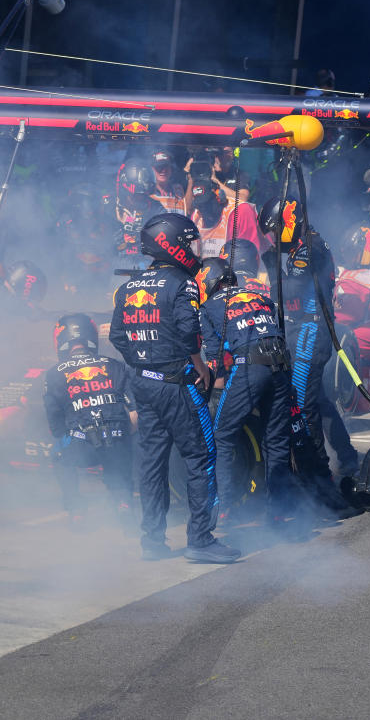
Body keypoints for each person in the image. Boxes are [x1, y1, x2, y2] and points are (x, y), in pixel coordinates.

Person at [109, 213, 240, 564]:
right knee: (201, 458)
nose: (196, 247)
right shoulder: (183, 283)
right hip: (177, 385)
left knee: (152, 463)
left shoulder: (128, 287)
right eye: (191, 240)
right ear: (173, 244)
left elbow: (117, 336)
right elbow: (187, 332)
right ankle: (201, 539)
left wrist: (143, 359)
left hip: (143, 383)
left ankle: (152, 542)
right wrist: (200, 367)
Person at [259, 198, 360, 504]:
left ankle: (320, 477)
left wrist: (270, 261)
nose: (271, 239)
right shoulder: (297, 247)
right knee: (317, 399)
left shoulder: (309, 248)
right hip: (299, 329)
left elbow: (288, 289)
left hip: (309, 330)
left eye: (273, 232)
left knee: (302, 406)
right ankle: (347, 455)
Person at [197, 258, 300, 531]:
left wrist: (214, 396)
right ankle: (277, 513)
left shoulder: (209, 307)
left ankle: (224, 510)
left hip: (250, 367)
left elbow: (216, 360)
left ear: (208, 283)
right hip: (281, 366)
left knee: (221, 435)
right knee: (276, 441)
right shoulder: (261, 297)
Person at [41, 313, 135, 528]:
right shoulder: (115, 365)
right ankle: (123, 505)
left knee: (58, 453)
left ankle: (76, 511)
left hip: (80, 443)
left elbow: (54, 422)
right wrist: (123, 436)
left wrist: (65, 436)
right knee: (118, 457)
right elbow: (134, 412)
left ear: (60, 340)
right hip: (117, 439)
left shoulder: (54, 374)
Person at [112, 160, 165, 272]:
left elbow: (167, 238)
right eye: (136, 196)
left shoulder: (156, 208)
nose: (141, 199)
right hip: (114, 271)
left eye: (144, 195)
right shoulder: (110, 209)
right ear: (125, 190)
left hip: (148, 270)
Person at [150, 149, 191, 215]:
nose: (163, 170)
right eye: (159, 167)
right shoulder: (148, 192)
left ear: (171, 168)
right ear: (152, 169)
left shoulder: (178, 190)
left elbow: (187, 211)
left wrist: (191, 179)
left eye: (166, 166)